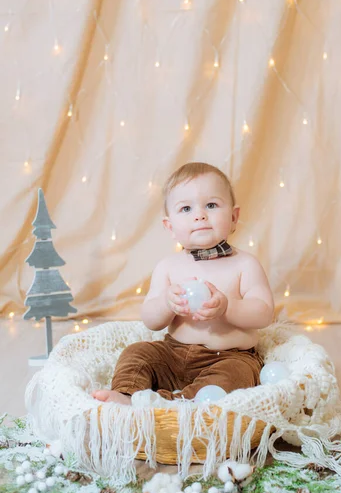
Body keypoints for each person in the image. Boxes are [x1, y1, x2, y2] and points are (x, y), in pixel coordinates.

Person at [92, 162, 274, 404]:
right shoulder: (168, 266)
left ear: (233, 217)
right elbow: (151, 320)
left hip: (229, 357)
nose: (199, 215)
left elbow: (264, 314)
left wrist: (227, 306)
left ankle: (173, 405)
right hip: (172, 354)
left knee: (238, 375)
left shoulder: (244, 264)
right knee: (137, 353)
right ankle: (127, 395)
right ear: (170, 226)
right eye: (186, 208)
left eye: (211, 205)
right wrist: (167, 302)